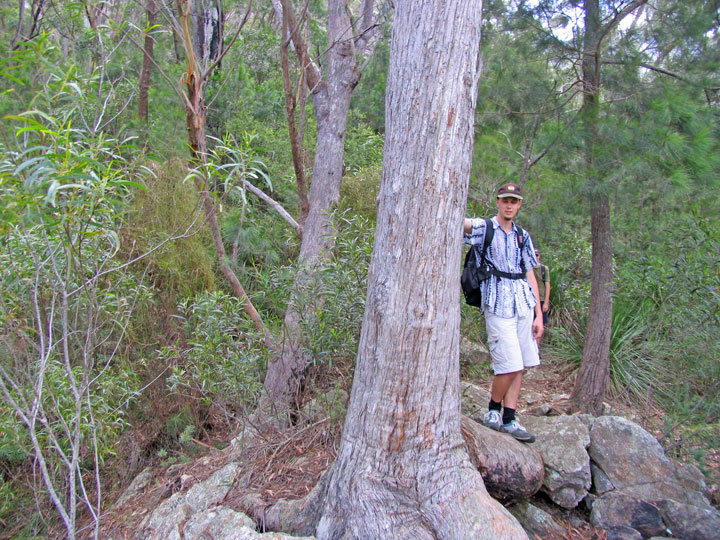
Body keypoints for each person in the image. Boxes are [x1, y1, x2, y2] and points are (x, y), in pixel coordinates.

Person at [463, 182, 543, 443]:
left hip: (522, 304)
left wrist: (538, 314)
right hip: (497, 304)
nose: (509, 205)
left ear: (519, 205)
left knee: (519, 364)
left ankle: (510, 417)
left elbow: (530, 272)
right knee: (509, 362)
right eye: (505, 200)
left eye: (514, 201)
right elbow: (461, 224)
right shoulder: (485, 228)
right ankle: (493, 410)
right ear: (497, 201)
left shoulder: (523, 236)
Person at [533, 248, 551, 345]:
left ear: (539, 256)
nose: (535, 257)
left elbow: (547, 285)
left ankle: (537, 350)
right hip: (531, 301)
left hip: (541, 300)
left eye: (536, 255)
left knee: (540, 326)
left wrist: (546, 303)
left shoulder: (544, 269)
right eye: (533, 255)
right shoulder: (528, 269)